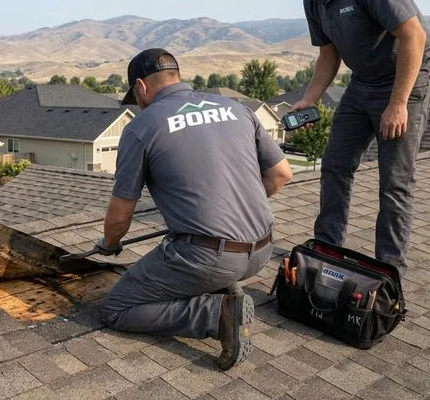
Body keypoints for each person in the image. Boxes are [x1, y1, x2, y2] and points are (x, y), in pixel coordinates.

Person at [96, 49, 293, 370]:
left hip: (209, 259)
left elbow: (119, 217)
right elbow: (282, 174)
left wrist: (110, 244)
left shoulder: (142, 128)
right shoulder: (236, 108)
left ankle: (215, 314)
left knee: (114, 309)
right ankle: (224, 288)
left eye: (135, 96)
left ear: (141, 87)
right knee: (202, 257)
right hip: (262, 250)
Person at [292, 0, 430, 274]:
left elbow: (414, 35)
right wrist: (309, 99)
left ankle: (389, 273)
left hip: (404, 80)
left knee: (394, 181)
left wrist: (398, 103)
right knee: (334, 164)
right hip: (362, 83)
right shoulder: (313, 2)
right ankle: (327, 249)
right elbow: (328, 55)